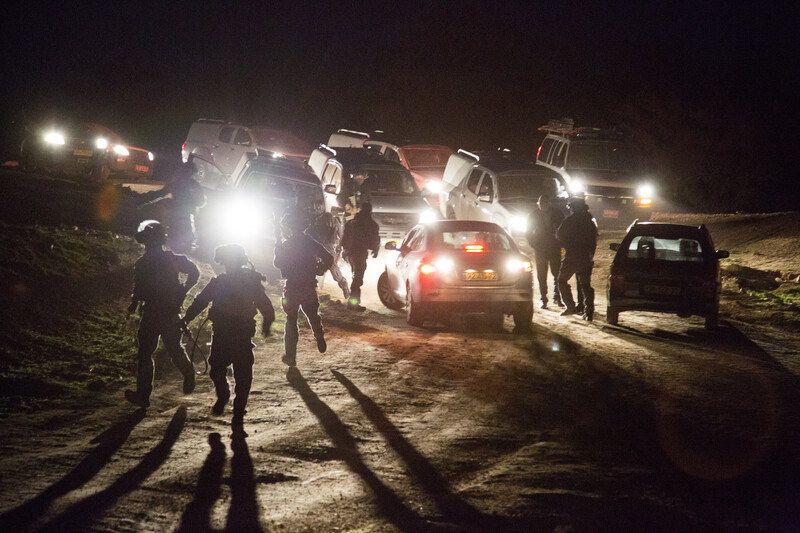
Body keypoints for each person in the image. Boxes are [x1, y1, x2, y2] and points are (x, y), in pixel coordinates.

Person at [182, 244, 275, 425]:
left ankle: (231, 401)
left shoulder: (222, 282)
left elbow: (201, 300)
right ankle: (233, 402)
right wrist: (267, 323)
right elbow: (265, 305)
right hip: (237, 334)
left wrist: (187, 318)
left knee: (223, 369)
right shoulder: (242, 282)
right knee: (235, 372)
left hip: (227, 334)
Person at [125, 220, 199, 408]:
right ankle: (146, 393)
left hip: (159, 312)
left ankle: (146, 394)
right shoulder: (166, 259)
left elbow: (139, 288)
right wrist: (184, 290)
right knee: (161, 351)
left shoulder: (146, 262)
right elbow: (194, 272)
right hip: (160, 312)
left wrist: (134, 305)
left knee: (156, 352)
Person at [273, 211, 333, 366]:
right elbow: (329, 258)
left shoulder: (288, 244)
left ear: (291, 227)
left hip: (292, 286)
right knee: (313, 316)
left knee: (291, 320)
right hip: (308, 286)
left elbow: (277, 263)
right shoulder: (310, 242)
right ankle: (319, 337)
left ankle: (291, 356)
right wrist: (321, 269)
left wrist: (277, 244)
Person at [141, 162, 206, 253]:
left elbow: (160, 194)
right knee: (186, 235)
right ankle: (183, 252)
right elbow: (201, 201)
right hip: (186, 214)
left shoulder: (175, 183)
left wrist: (144, 201)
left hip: (174, 214)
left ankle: (174, 252)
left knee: (175, 233)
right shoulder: (194, 185)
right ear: (192, 173)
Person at [556, 197, 598, 321]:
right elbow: (594, 239)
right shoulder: (590, 221)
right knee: (585, 285)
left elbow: (559, 235)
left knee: (561, 280)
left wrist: (566, 245)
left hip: (572, 257)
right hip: (586, 257)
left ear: (573, 208)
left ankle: (570, 306)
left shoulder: (570, 220)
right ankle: (588, 311)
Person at [526, 194, 565, 309]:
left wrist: (560, 242)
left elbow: (563, 228)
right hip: (541, 248)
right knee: (542, 274)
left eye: (545, 203)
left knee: (557, 272)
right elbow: (528, 231)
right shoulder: (533, 215)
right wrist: (533, 244)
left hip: (554, 247)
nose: (543, 205)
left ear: (549, 203)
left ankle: (557, 296)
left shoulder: (557, 214)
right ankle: (544, 298)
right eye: (541, 203)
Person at [340, 201, 380, 311]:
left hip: (351, 253)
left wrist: (344, 251)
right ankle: (353, 302)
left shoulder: (353, 222)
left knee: (356, 276)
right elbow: (375, 239)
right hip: (359, 253)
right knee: (358, 278)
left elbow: (344, 238)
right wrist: (375, 250)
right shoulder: (370, 224)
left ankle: (353, 301)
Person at [307, 199, 350, 300]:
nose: (318, 208)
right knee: (311, 269)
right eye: (316, 206)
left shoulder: (329, 218)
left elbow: (340, 231)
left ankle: (344, 285)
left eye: (319, 206)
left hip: (328, 247)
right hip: (316, 248)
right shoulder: (312, 219)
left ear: (323, 207)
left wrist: (341, 244)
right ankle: (312, 293)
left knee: (333, 269)